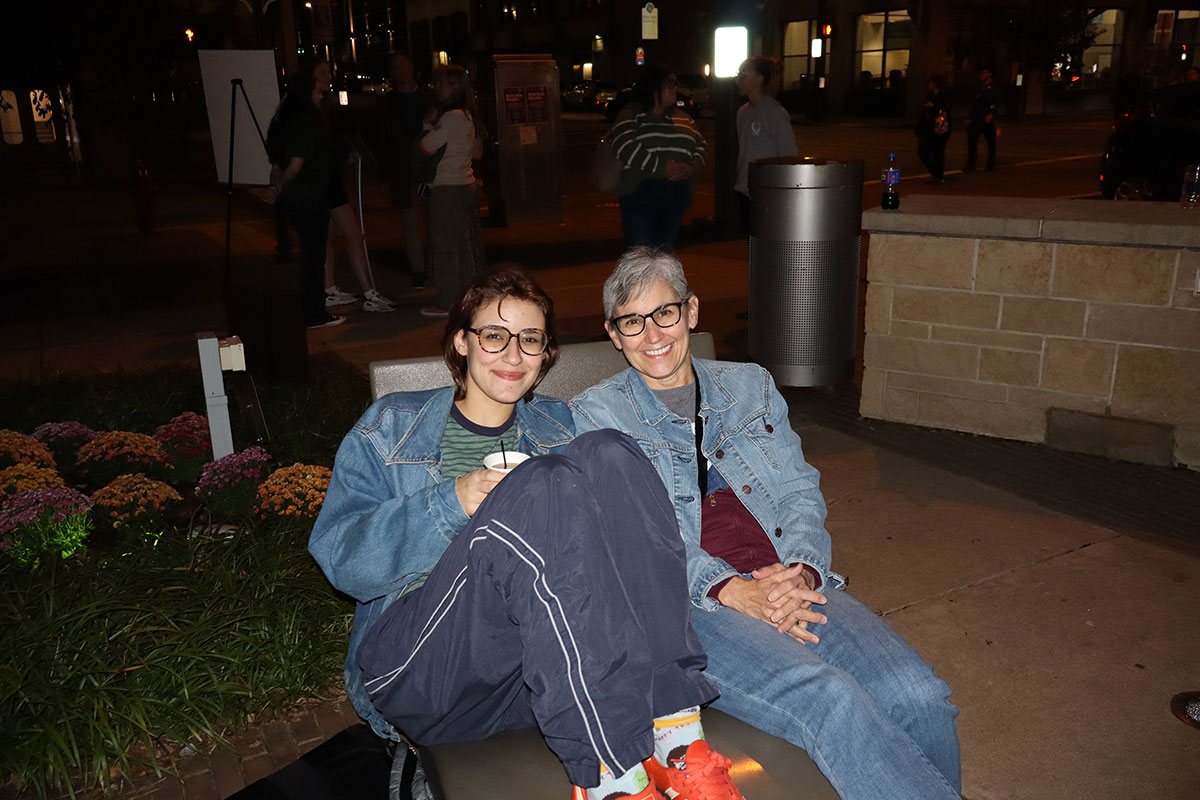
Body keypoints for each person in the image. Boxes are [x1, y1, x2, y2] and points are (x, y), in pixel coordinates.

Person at [309, 265, 748, 800]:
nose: (513, 354)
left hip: (527, 679)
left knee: (610, 449)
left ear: (545, 356)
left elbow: (637, 525)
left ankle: (678, 739)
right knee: (545, 482)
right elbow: (341, 561)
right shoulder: (391, 428)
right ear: (461, 342)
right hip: (422, 671)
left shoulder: (563, 426)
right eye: (494, 335)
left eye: (530, 339)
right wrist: (450, 502)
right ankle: (611, 775)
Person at [570, 247, 963, 800]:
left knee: (919, 695)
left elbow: (799, 488)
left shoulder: (749, 386)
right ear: (614, 334)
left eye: (665, 312)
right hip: (691, 603)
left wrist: (801, 570)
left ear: (692, 312)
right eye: (631, 321)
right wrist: (732, 588)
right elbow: (634, 538)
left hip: (782, 576)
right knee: (831, 699)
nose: (652, 334)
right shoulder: (596, 415)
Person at [266, 60, 342, 328]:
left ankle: (310, 309)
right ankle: (313, 312)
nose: (321, 96)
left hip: (297, 200)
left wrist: (277, 187)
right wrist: (280, 185)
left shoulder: (282, 121)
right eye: (317, 92)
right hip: (309, 197)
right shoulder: (305, 123)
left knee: (309, 256)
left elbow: (276, 163)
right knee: (313, 258)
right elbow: (295, 166)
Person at [319, 62, 397, 314]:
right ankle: (368, 292)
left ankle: (328, 288)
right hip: (326, 183)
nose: (327, 77)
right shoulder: (312, 111)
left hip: (329, 179)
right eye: (321, 73)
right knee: (354, 235)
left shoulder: (324, 107)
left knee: (329, 238)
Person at [610, 67, 706, 250]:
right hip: (641, 193)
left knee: (664, 255)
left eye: (676, 83)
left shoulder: (684, 118)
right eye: (671, 83)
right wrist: (662, 167)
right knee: (642, 255)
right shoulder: (631, 114)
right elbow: (624, 145)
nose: (676, 88)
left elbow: (701, 146)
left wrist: (691, 167)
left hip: (676, 193)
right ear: (654, 86)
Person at [418, 64, 484, 319]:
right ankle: (468, 296)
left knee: (444, 245)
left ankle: (446, 302)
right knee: (460, 243)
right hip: (464, 183)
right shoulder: (467, 115)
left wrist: (427, 125)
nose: (438, 88)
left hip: (447, 186)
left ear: (455, 87)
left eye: (443, 83)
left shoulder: (451, 116)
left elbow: (426, 147)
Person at [377, 53, 429, 289]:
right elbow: (383, 140)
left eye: (404, 66)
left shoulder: (429, 96)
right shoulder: (387, 103)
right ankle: (418, 268)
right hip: (402, 168)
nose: (401, 71)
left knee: (433, 216)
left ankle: (436, 265)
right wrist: (384, 176)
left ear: (413, 67)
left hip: (429, 166)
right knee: (409, 219)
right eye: (395, 68)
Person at [734, 57, 797, 229]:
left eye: (743, 74)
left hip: (768, 191)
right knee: (753, 241)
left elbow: (789, 155)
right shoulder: (742, 113)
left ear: (758, 80)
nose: (737, 79)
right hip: (745, 188)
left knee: (768, 244)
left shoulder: (775, 112)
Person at [915, 74, 951, 183]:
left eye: (930, 83)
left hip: (940, 129)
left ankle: (938, 175)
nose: (929, 85)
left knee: (937, 152)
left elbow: (944, 111)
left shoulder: (943, 96)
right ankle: (936, 173)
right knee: (924, 152)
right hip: (928, 129)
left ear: (934, 84)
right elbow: (924, 115)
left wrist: (933, 107)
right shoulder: (930, 96)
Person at [963, 66, 997, 173]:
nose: (981, 75)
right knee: (971, 142)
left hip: (987, 118)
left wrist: (992, 114)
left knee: (991, 143)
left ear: (989, 74)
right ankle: (971, 165)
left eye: (984, 72)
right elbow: (974, 104)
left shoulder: (994, 87)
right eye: (980, 73)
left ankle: (990, 165)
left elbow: (996, 102)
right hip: (977, 118)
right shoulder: (978, 87)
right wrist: (969, 117)